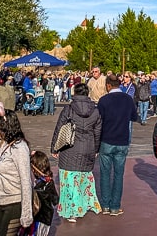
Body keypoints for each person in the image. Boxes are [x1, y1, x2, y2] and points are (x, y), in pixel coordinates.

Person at [51, 83, 102, 223]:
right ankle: (84, 205)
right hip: (88, 146)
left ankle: (71, 210)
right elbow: (98, 132)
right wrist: (96, 149)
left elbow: (59, 128)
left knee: (69, 179)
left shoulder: (69, 109)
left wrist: (54, 148)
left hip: (70, 147)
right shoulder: (95, 111)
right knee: (84, 178)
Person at [96, 74, 137, 216]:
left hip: (106, 139)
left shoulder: (103, 100)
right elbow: (134, 117)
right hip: (122, 140)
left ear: (108, 85)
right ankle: (115, 206)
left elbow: (98, 120)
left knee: (105, 174)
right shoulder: (128, 99)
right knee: (119, 174)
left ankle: (105, 205)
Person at [0, 108, 33, 236]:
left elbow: (26, 181)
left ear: (4, 126)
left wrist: (26, 214)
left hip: (15, 203)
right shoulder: (0, 144)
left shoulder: (19, 148)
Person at [30, 150, 59, 236]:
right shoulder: (49, 181)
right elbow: (55, 200)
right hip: (47, 217)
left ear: (34, 170)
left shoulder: (39, 186)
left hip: (38, 217)